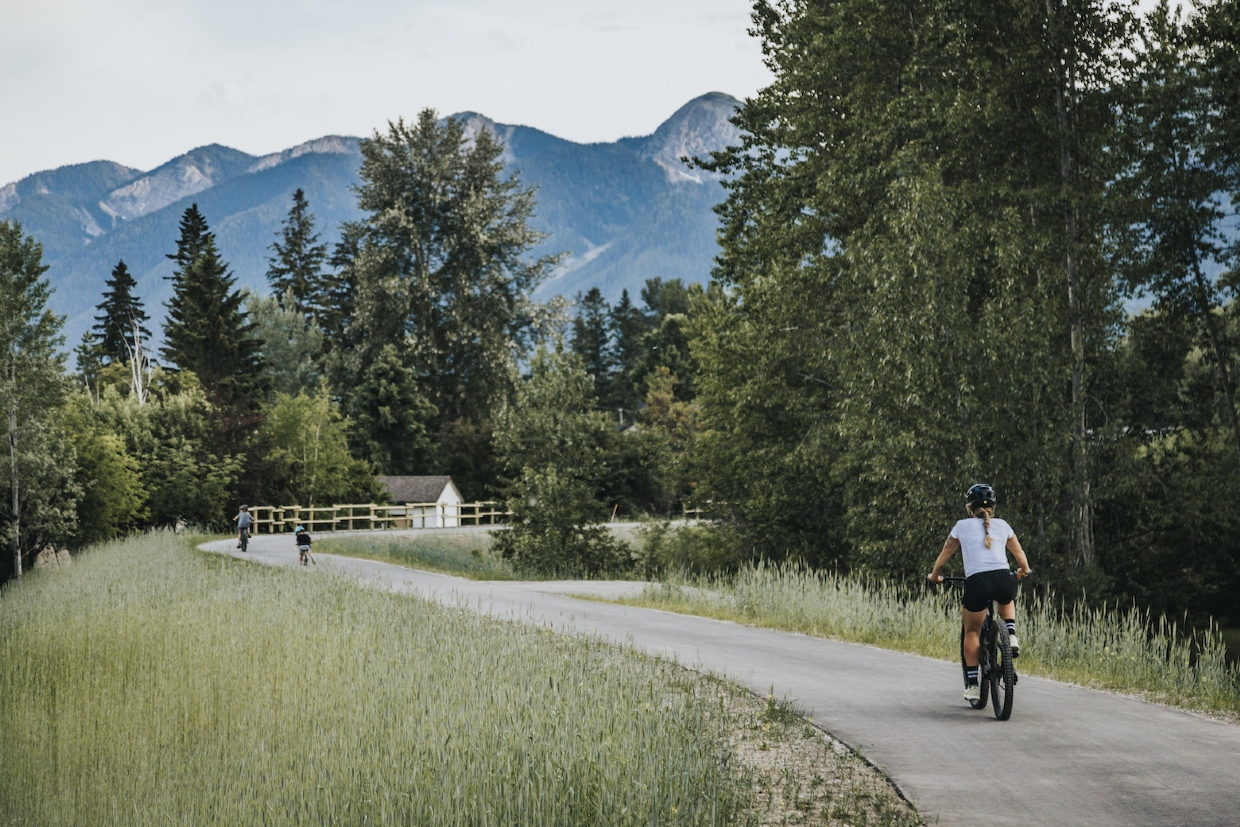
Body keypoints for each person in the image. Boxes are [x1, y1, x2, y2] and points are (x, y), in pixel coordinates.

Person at [927, 484, 1032, 703]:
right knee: (1006, 598)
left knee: (972, 631)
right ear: (992, 506)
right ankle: (1010, 634)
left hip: (977, 582)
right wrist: (1023, 570)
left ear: (969, 507)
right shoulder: (1003, 525)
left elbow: (945, 553)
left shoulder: (961, 526)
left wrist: (935, 575)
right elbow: (1019, 553)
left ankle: (973, 685)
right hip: (1004, 578)